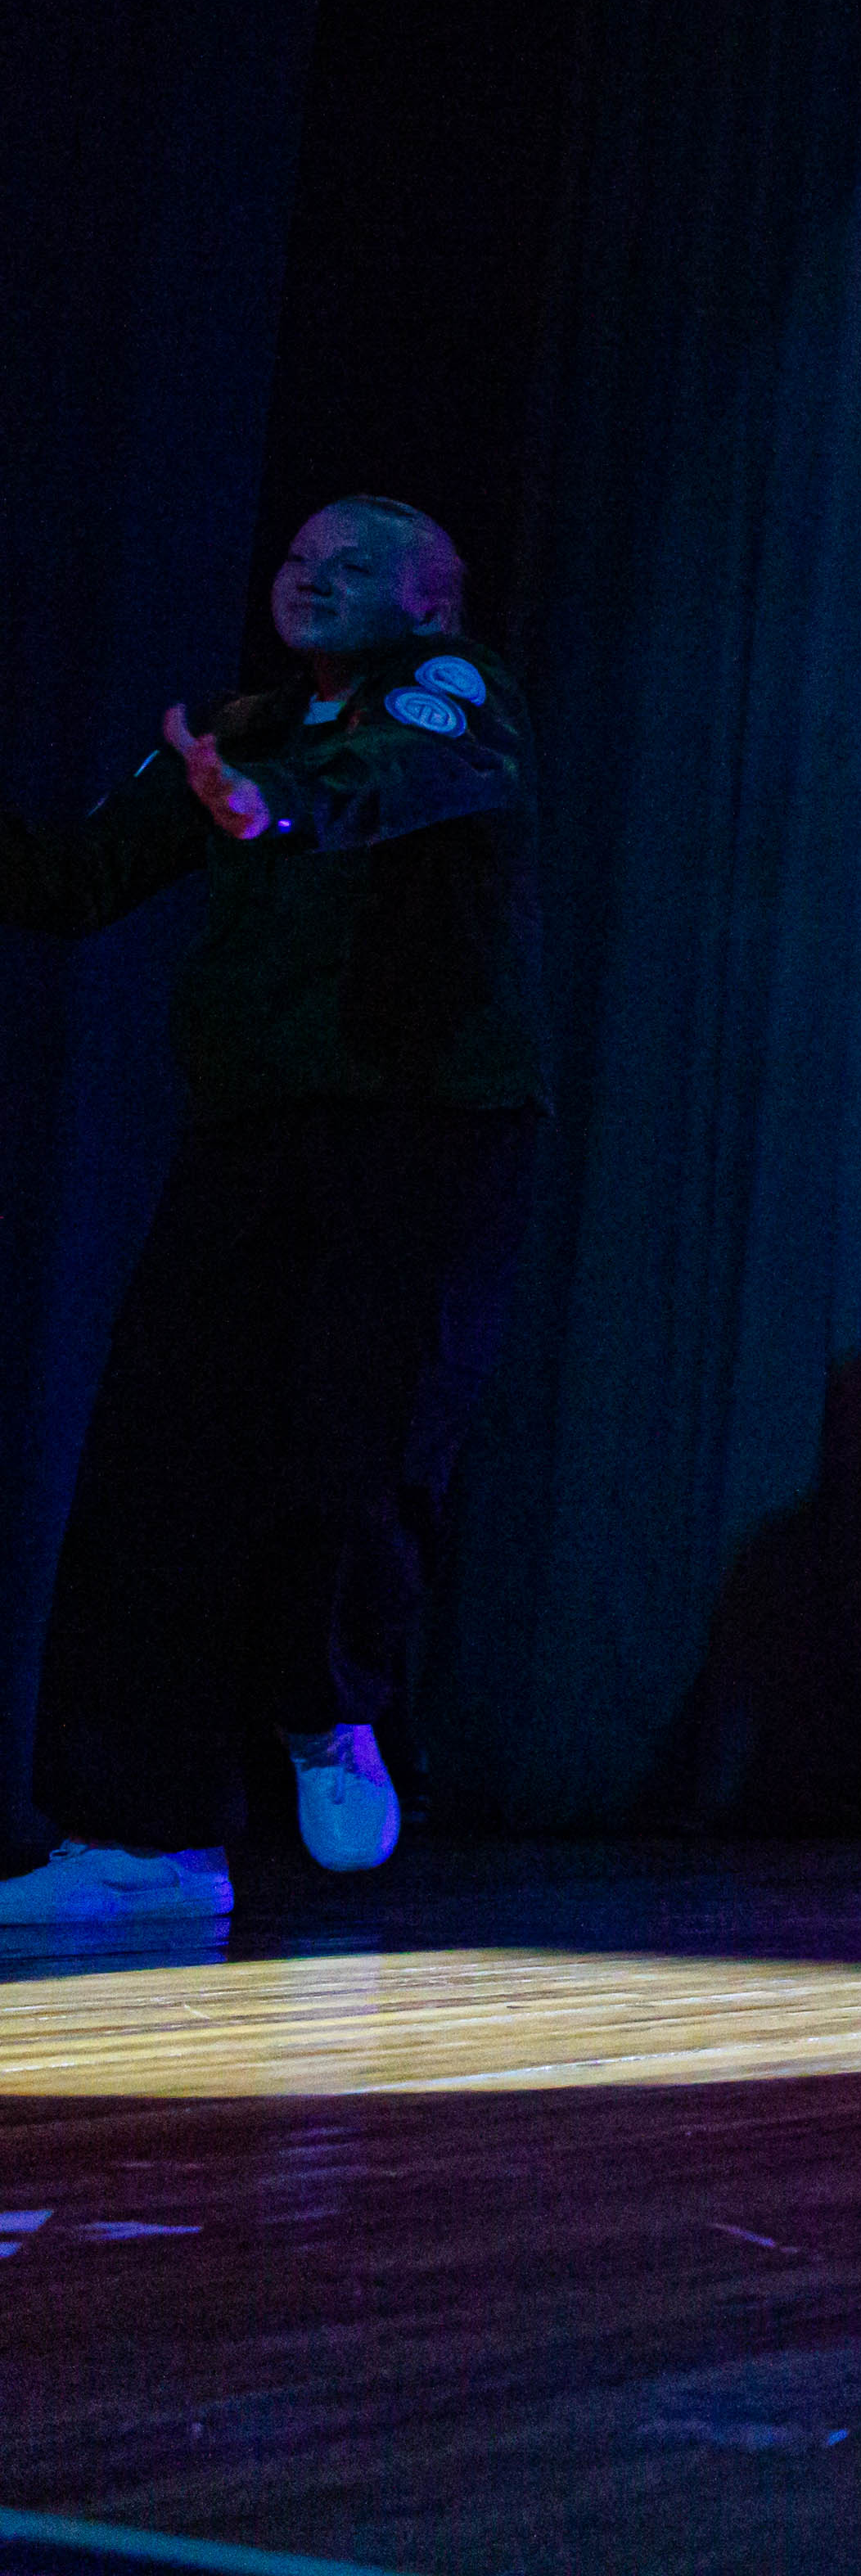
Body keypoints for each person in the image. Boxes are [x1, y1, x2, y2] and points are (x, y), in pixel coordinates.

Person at [0, 498, 547, 1929]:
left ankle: (326, 1703)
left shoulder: (451, 688)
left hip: (421, 1131)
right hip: (250, 1135)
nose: (312, 577)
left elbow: (399, 777)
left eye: (353, 565)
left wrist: (277, 807)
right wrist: (236, 790)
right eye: (300, 558)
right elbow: (71, 882)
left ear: (429, 602)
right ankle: (139, 1832)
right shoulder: (238, 728)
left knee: (353, 1443)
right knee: (160, 1463)